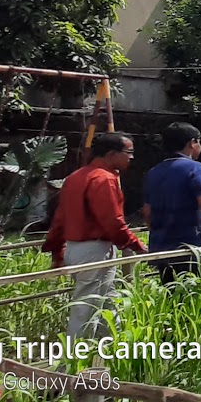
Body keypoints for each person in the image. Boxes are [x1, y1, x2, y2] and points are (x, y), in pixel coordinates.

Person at [44, 132, 146, 341]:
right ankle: (74, 355)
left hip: (75, 248)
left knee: (107, 301)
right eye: (128, 152)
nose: (131, 157)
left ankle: (112, 348)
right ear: (111, 154)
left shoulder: (75, 177)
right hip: (95, 250)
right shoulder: (104, 179)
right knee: (86, 307)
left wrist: (57, 251)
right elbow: (112, 221)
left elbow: (60, 218)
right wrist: (136, 244)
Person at [143, 123, 201, 282]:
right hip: (189, 248)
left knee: (171, 291)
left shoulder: (154, 172)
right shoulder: (195, 168)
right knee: (193, 291)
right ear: (192, 143)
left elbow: (147, 212)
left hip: (161, 248)